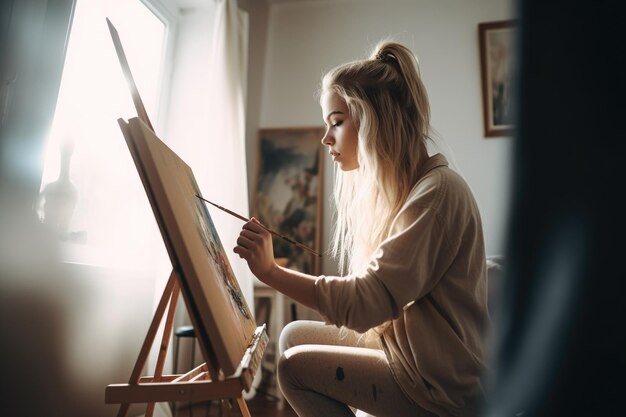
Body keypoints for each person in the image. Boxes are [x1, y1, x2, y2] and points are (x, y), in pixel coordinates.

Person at [234, 41, 489, 417]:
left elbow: (365, 303)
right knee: (291, 336)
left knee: (293, 368)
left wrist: (270, 272)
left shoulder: (436, 195)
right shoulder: (411, 191)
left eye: (336, 122)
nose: (325, 138)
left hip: (439, 390)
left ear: (375, 119)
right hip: (411, 358)